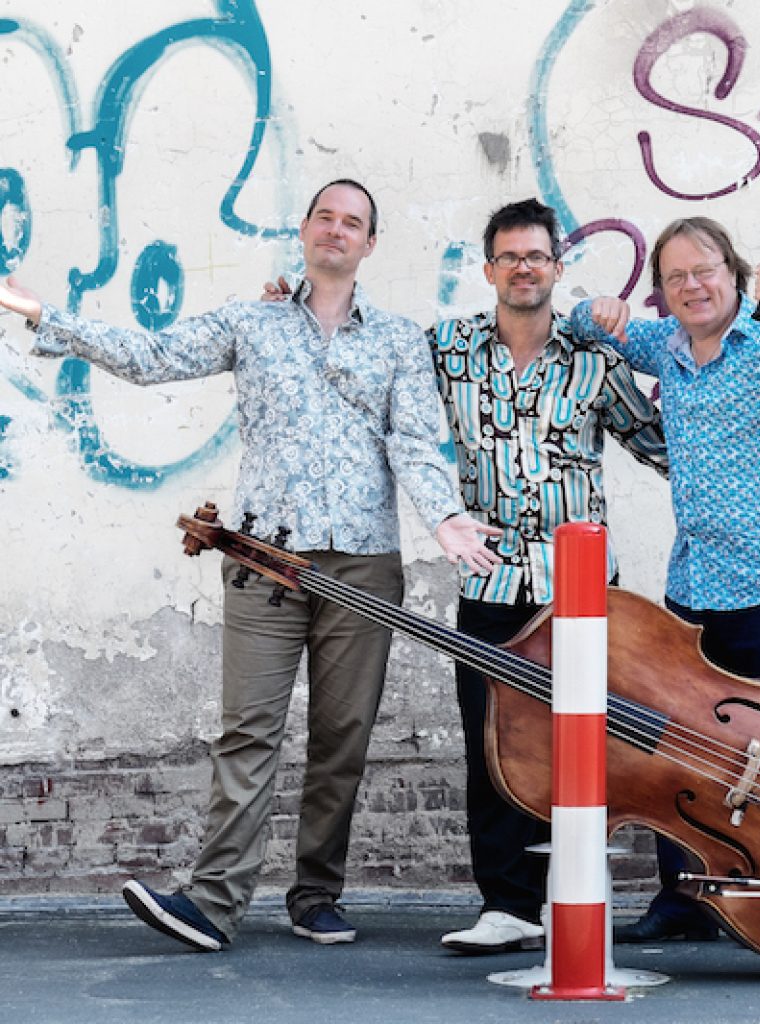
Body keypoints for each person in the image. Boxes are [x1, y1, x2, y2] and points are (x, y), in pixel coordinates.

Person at [0, 178, 499, 952]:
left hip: (362, 568)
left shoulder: (399, 340)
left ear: (370, 243)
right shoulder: (253, 321)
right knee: (248, 732)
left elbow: (412, 442)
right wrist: (45, 317)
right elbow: (155, 357)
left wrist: (444, 517)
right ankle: (214, 901)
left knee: (342, 739)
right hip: (263, 560)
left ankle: (317, 895)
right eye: (325, 216)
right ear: (304, 229)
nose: (336, 229)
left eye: (353, 222)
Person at [265, 198, 669, 953]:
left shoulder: (597, 361)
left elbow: (665, 447)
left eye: (537, 256)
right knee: (495, 748)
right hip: (490, 583)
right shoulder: (446, 349)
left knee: (584, 747)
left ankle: (575, 896)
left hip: (581, 593)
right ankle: (508, 907)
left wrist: (696, 362)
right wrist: (293, 309)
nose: (523, 268)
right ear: (489, 270)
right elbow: (363, 374)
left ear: (557, 268)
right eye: (509, 257)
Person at [571, 215, 760, 943]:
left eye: (704, 270)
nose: (693, 286)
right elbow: (583, 328)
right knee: (678, 748)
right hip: (696, 582)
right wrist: (596, 309)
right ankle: (687, 901)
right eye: (676, 277)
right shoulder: (665, 347)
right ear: (663, 292)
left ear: (734, 273)